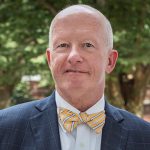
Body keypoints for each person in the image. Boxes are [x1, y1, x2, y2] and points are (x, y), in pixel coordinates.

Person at [0, 4, 150, 150]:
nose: (74, 56)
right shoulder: (5, 128)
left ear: (110, 61)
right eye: (63, 45)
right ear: (50, 59)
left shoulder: (144, 137)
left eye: (87, 45)